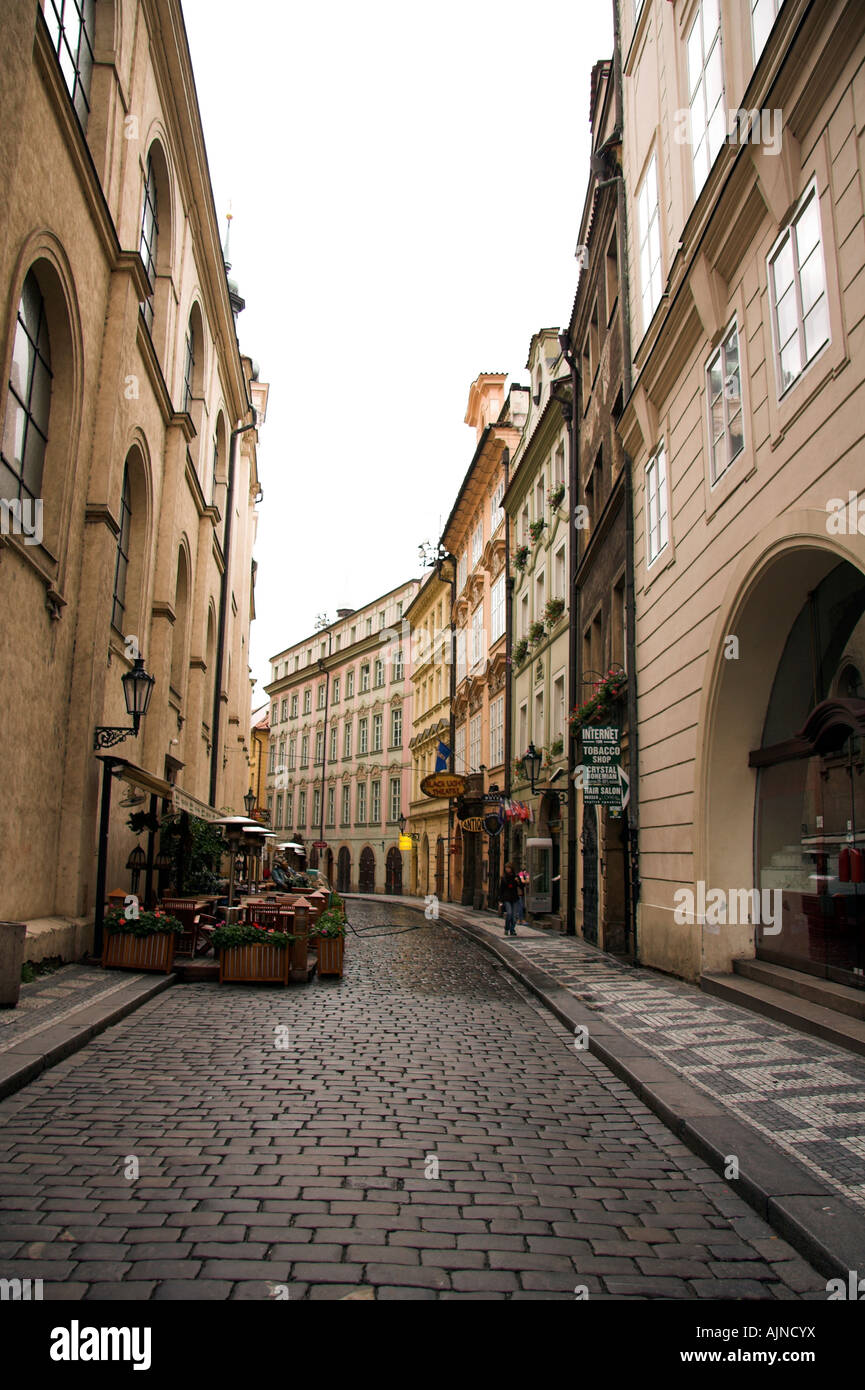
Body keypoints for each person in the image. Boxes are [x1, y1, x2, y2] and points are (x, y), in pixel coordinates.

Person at [499, 863, 520, 936]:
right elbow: (502, 889)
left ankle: (512, 929)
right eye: (506, 868)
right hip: (507, 898)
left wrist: (518, 881)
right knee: (509, 913)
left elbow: (520, 885)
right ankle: (507, 928)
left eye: (509, 868)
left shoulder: (516, 877)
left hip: (514, 898)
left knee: (514, 916)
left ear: (512, 869)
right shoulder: (504, 877)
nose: (507, 869)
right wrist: (500, 900)